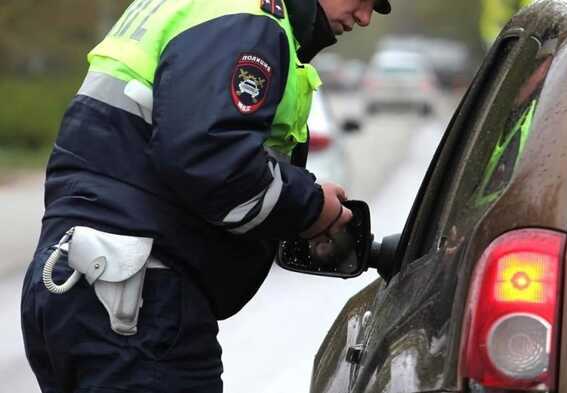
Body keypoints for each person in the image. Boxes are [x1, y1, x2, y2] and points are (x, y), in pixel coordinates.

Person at [20, 0, 390, 392]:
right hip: (137, 306)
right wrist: (312, 209)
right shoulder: (247, 20)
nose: (365, 17)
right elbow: (212, 159)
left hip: (75, 283)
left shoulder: (197, 6)